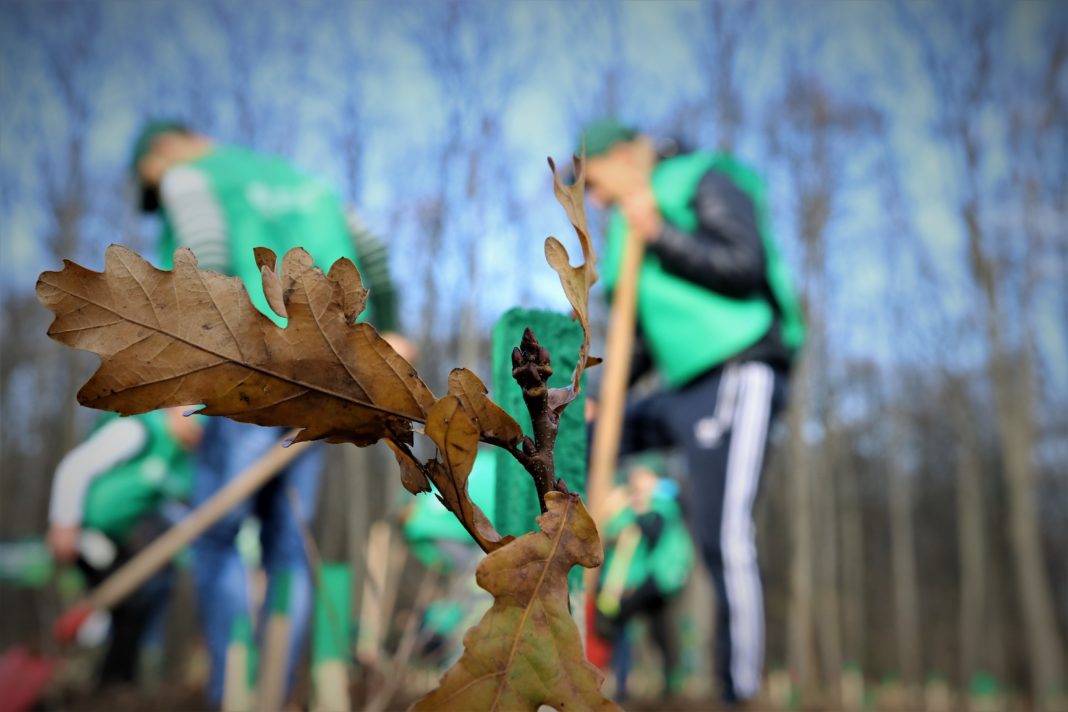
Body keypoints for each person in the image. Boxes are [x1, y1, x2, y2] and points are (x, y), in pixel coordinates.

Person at [129, 119, 411, 706]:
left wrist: (186, 378)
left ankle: (232, 696)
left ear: (159, 154)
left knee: (215, 537)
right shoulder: (307, 181)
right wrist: (396, 329)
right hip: (324, 368)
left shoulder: (187, 177)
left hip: (245, 367)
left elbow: (200, 257)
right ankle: (272, 692)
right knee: (288, 538)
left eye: (149, 189)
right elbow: (376, 252)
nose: (157, 202)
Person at [580, 118, 805, 706]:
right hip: (680, 380)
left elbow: (742, 263)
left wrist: (660, 234)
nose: (595, 199)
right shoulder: (628, 226)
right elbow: (645, 338)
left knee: (722, 532)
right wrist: (606, 396)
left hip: (735, 365)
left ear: (626, 155)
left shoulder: (697, 179)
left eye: (596, 181)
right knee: (584, 441)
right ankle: (574, 641)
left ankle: (739, 688)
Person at [47, 407, 201, 686]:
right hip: (88, 531)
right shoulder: (139, 431)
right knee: (124, 602)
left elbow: (176, 516)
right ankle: (80, 665)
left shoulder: (182, 461)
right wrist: (64, 521)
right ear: (177, 409)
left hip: (123, 538)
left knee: (146, 594)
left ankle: (115, 682)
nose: (200, 430)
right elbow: (76, 466)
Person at [594, 455, 693, 702]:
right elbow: (611, 535)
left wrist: (640, 512)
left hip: (659, 578)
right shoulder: (626, 508)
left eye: (644, 477)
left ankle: (671, 682)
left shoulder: (661, 506)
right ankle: (624, 683)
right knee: (637, 629)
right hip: (633, 580)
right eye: (635, 477)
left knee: (655, 628)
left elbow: (654, 534)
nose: (638, 482)